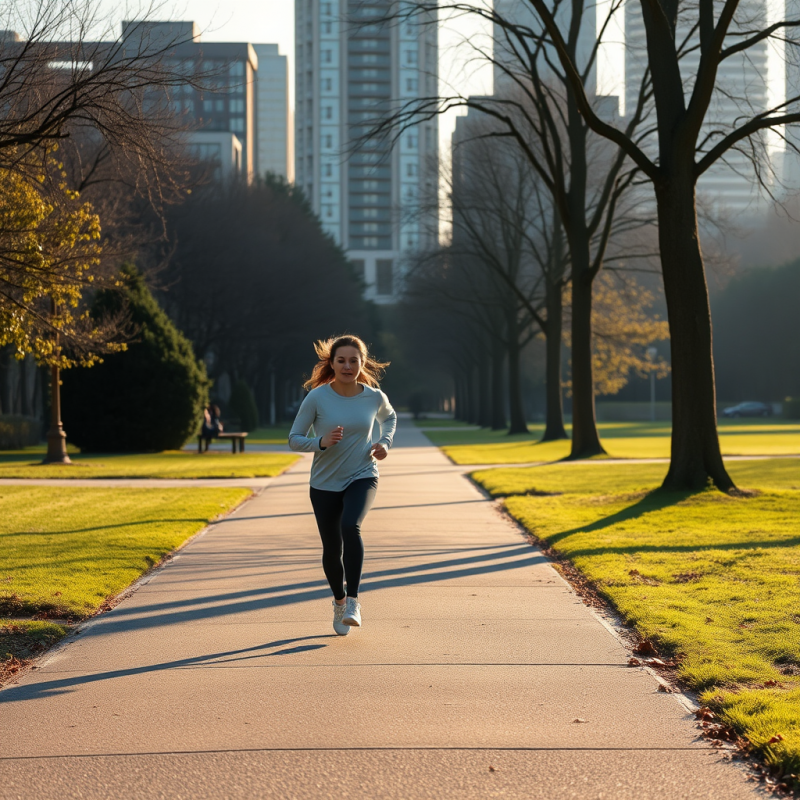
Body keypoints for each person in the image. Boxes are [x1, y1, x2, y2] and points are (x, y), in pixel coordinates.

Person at [289, 334, 396, 636]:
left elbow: (389, 418)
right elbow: (294, 439)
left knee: (351, 526)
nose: (348, 366)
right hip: (324, 482)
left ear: (362, 363)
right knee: (332, 547)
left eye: (353, 361)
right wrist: (320, 442)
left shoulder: (374, 396)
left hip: (362, 474)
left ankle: (353, 602)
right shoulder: (317, 397)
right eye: (341, 360)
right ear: (332, 363)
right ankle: (338, 599)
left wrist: (385, 442)